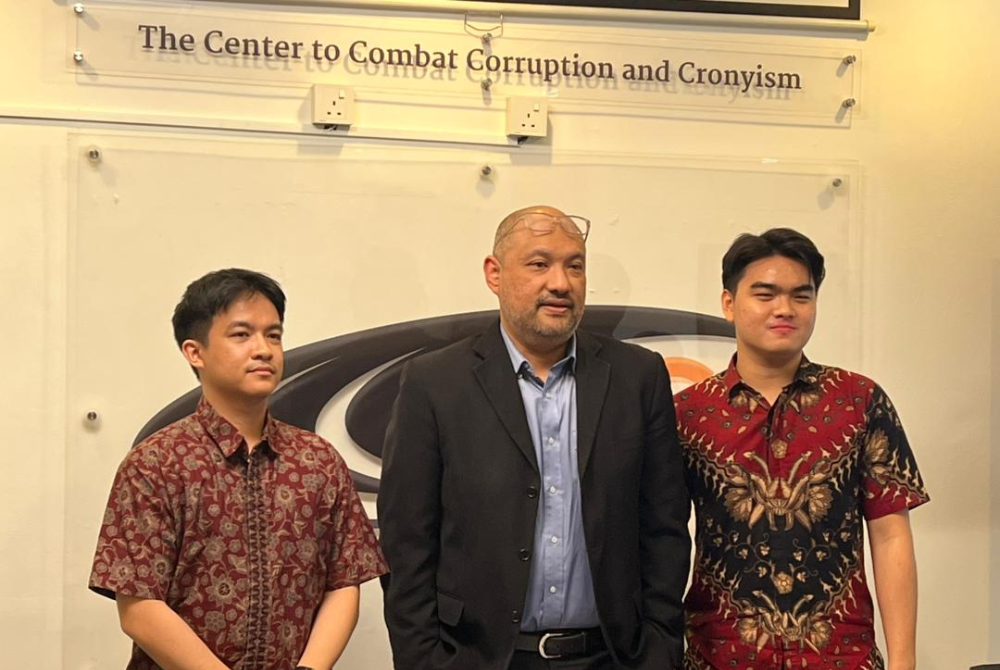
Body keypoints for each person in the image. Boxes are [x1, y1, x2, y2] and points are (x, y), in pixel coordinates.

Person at [378, 206, 690, 670]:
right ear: (494, 273)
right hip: (479, 659)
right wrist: (424, 659)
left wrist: (660, 648)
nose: (561, 283)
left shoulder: (637, 376)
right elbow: (407, 541)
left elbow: (664, 525)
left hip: (613, 657)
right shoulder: (435, 382)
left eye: (575, 265)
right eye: (539, 264)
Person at [89, 268, 387, 670]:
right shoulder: (156, 463)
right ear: (195, 352)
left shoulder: (318, 461)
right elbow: (139, 606)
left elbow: (343, 583)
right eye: (241, 335)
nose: (263, 349)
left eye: (274, 335)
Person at [675, 229, 929, 670]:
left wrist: (904, 660)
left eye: (801, 296)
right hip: (720, 656)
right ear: (729, 304)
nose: (784, 309)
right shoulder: (687, 412)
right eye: (765, 294)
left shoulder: (859, 400)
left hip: (841, 657)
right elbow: (658, 540)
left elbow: (890, 536)